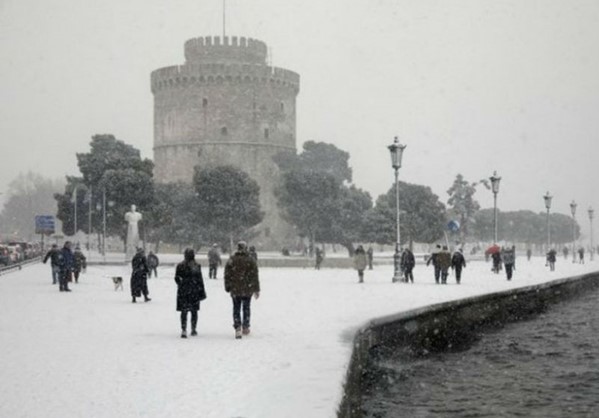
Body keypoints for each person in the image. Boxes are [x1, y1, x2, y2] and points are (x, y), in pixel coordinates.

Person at [224, 241, 260, 339]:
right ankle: (245, 326)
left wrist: (227, 286)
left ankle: (237, 326)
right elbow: (254, 275)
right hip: (247, 288)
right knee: (246, 307)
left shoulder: (232, 260)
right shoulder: (250, 260)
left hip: (235, 288)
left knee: (236, 308)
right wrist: (256, 289)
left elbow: (227, 274)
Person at [175, 248, 207, 338]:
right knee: (194, 311)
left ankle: (184, 329)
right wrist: (202, 292)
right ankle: (193, 329)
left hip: (183, 291)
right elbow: (200, 280)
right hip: (194, 291)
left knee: (184, 311)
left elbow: (176, 278)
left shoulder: (180, 266)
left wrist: (181, 283)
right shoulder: (196, 266)